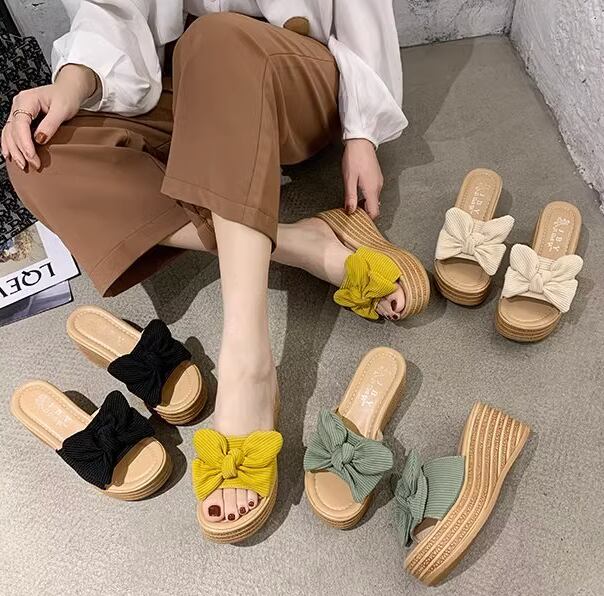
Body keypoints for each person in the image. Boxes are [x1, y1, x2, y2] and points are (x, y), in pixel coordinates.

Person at [2, 1, 421, 525]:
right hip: (182, 84)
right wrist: (70, 84)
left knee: (216, 40)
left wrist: (362, 132)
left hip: (290, 78)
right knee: (36, 160)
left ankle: (248, 362)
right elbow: (114, 9)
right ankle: (300, 243)